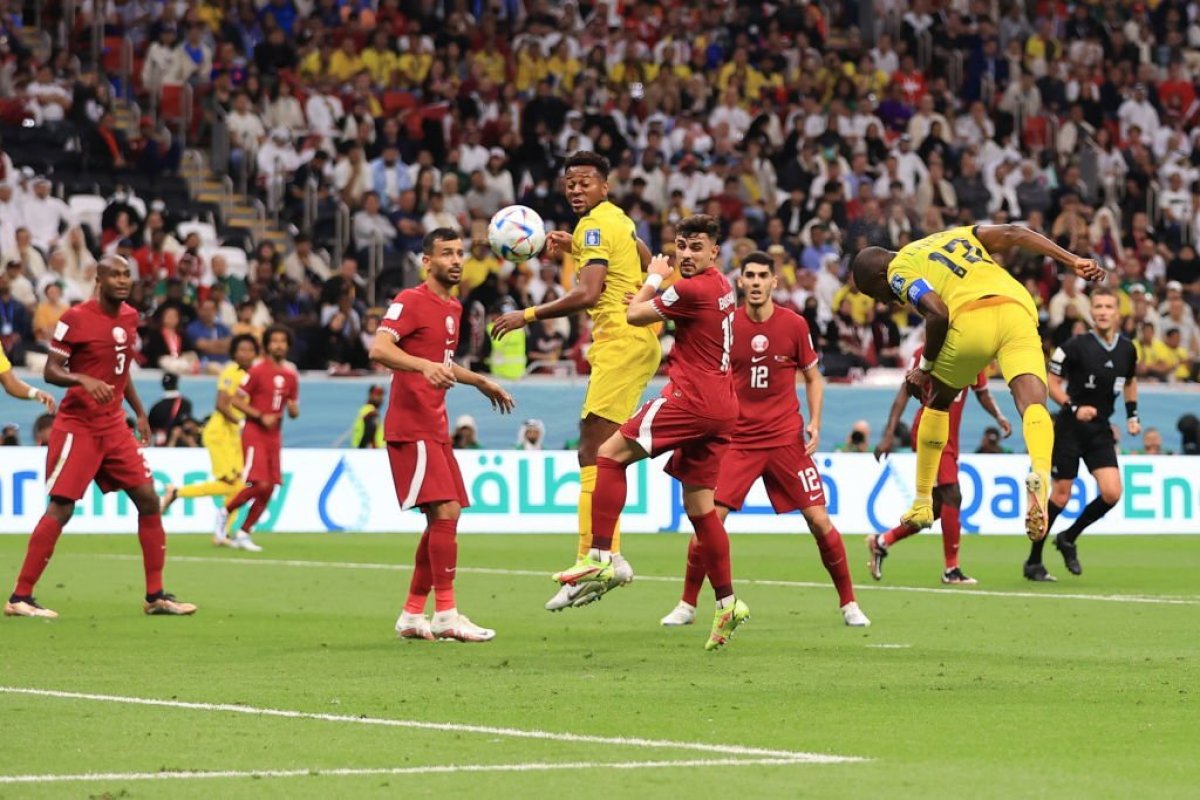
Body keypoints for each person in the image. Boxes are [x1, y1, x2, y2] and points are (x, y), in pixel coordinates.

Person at [554, 215, 749, 651]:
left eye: (696, 247)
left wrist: (652, 280)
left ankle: (600, 557)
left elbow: (635, 314)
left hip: (692, 399)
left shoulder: (690, 287)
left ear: (715, 251)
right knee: (700, 507)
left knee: (607, 454)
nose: (686, 254)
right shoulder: (722, 286)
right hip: (723, 407)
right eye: (681, 245)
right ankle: (727, 601)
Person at [850, 225, 1104, 542]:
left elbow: (938, 313)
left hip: (971, 318)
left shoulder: (898, 268)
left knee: (938, 403)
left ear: (879, 276)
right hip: (1017, 309)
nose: (885, 301)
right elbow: (1013, 233)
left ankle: (921, 503)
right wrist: (1070, 260)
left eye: (877, 294)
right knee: (1033, 404)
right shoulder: (953, 235)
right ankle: (1039, 472)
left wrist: (924, 368)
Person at [660, 252, 870, 629]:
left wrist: (816, 423)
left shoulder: (793, 325)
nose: (755, 282)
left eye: (762, 276)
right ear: (739, 282)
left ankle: (849, 603)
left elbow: (813, 377)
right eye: (749, 276)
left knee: (819, 520)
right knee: (709, 521)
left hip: (785, 439)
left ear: (775, 282)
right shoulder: (726, 325)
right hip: (736, 440)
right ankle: (687, 604)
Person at [490, 151, 661, 610]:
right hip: (631, 340)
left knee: (596, 450)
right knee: (605, 452)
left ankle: (595, 556)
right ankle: (609, 555)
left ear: (604, 186)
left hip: (621, 341)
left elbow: (588, 292)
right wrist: (579, 248)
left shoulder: (594, 226)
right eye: (570, 182)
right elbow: (647, 258)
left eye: (586, 181)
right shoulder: (616, 220)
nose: (576, 188)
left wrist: (526, 314)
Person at [6, 256, 196, 619]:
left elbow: (120, 372)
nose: (123, 280)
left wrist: (139, 411)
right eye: (116, 274)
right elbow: (51, 371)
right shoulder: (76, 318)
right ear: (100, 278)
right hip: (78, 426)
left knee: (149, 500)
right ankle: (20, 597)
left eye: (128, 274)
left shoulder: (129, 316)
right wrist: (83, 379)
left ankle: (156, 596)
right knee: (61, 508)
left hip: (114, 426)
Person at [369, 228, 514, 642]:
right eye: (446, 253)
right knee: (446, 512)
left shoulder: (452, 306)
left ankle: (414, 614)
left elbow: (442, 364)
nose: (455, 260)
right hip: (411, 427)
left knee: (443, 518)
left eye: (460, 253)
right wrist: (419, 365)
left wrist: (479, 380)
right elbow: (379, 349)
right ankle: (446, 613)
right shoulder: (411, 301)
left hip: (435, 427)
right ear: (426, 262)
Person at [870, 345, 1012, 584]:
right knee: (953, 495)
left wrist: (999, 416)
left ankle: (882, 541)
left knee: (936, 508)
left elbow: (982, 392)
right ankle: (951, 569)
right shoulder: (926, 352)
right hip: (929, 431)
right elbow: (904, 393)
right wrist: (888, 434)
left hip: (950, 437)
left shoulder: (972, 352)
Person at [1025, 287, 1138, 581]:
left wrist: (1132, 415)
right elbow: (1051, 382)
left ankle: (1068, 537)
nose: (1102, 311)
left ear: (1117, 312)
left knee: (1112, 492)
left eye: (1108, 306)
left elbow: (1130, 382)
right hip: (1069, 429)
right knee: (1060, 497)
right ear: (1092, 312)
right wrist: (1074, 407)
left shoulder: (1127, 349)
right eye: (1098, 306)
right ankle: (1034, 561)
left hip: (1099, 428)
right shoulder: (1074, 345)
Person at [161, 334, 261, 545]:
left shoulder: (253, 375)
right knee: (234, 485)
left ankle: (218, 530)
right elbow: (221, 405)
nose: (246, 354)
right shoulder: (230, 372)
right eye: (241, 350)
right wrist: (242, 423)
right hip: (220, 433)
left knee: (237, 486)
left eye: (250, 350)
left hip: (232, 435)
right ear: (234, 353)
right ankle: (181, 495)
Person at [218, 326, 300, 552]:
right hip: (255, 433)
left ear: (288, 346)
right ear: (267, 345)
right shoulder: (257, 371)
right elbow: (235, 400)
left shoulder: (291, 376)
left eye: (282, 341)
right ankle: (225, 512)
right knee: (259, 483)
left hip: (274, 436)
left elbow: (294, 410)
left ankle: (244, 532)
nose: (278, 345)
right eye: (274, 341)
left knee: (270, 487)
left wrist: (293, 409)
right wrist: (259, 415)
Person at [147, 372, 195, 446]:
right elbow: (188, 427)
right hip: (181, 448)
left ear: (163, 385)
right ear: (177, 383)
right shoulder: (185, 404)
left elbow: (150, 429)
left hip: (160, 447)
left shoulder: (156, 407)